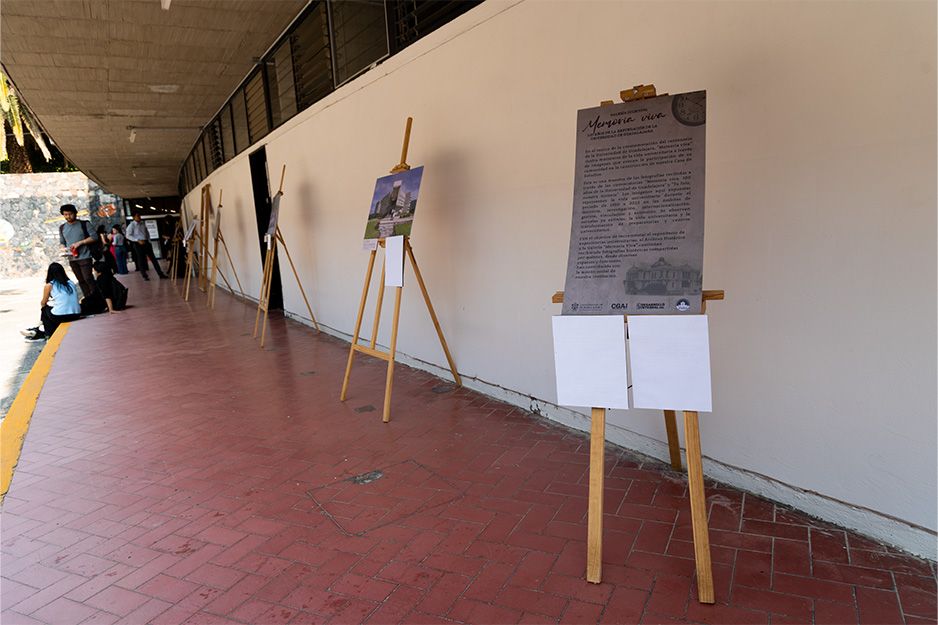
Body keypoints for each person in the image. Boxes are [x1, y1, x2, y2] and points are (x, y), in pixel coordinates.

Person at [21, 263, 82, 341]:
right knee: (53, 311)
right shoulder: (71, 282)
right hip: (76, 314)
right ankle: (39, 330)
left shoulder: (49, 285)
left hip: (61, 317)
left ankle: (44, 334)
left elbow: (43, 302)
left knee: (45, 309)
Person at [58, 204, 97, 297]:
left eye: (70, 214)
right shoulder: (62, 227)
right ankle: (88, 299)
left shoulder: (84, 224)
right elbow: (62, 242)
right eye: (65, 214)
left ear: (75, 213)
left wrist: (80, 243)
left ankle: (97, 298)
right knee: (81, 280)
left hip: (85, 256)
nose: (68, 216)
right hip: (72, 258)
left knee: (88, 278)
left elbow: (94, 237)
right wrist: (63, 249)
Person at [126, 213, 167, 280]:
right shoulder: (131, 225)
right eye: (137, 216)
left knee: (153, 258)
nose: (139, 217)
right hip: (138, 243)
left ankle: (160, 274)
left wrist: (149, 241)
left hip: (146, 242)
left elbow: (147, 233)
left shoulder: (142, 223)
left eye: (139, 215)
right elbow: (128, 235)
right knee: (141, 260)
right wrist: (137, 240)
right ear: (134, 217)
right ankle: (144, 275)